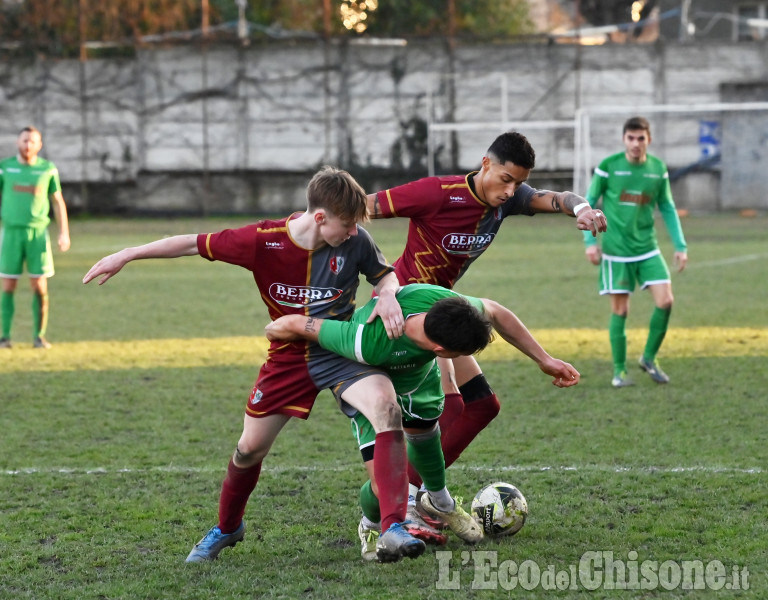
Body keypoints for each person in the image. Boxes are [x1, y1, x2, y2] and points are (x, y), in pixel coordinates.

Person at [82, 166, 428, 564]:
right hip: (287, 359)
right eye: (346, 224)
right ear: (319, 217)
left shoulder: (358, 240)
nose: (352, 232)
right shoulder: (263, 241)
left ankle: (392, 527)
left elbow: (385, 277)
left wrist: (388, 294)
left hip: (338, 349)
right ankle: (228, 528)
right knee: (248, 450)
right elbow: (192, 243)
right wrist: (128, 254)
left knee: (386, 407)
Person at [365, 131, 607, 507]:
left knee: (481, 405)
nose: (511, 190)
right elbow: (361, 209)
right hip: (411, 311)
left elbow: (559, 199)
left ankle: (422, 497)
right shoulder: (437, 192)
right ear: (485, 164)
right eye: (505, 179)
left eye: (519, 183)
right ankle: (406, 504)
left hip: (444, 309)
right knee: (451, 407)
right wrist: (382, 281)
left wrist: (583, 210)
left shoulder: (506, 201)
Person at [265, 283, 580, 560]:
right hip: (369, 384)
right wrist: (273, 336)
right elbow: (299, 324)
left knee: (428, 435)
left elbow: (494, 310)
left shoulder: (444, 303)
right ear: (442, 350)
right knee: (384, 483)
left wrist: (545, 359)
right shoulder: (369, 341)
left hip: (418, 378)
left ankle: (440, 501)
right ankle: (371, 527)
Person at [582, 116, 688, 387]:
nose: (636, 143)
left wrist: (680, 246)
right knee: (621, 311)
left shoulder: (657, 169)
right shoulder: (608, 167)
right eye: (631, 138)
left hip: (648, 249)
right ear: (624, 139)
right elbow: (588, 203)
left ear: (648, 140)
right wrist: (589, 242)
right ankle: (619, 372)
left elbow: (667, 207)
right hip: (616, 252)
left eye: (641, 138)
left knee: (666, 301)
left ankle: (648, 358)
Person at [0, 126, 70, 349]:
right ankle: (5, 337)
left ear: (39, 145)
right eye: (24, 141)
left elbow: (57, 201)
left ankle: (39, 337)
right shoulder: (5, 168)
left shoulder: (47, 169)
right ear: (17, 143)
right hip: (11, 233)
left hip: (38, 235)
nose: (28, 145)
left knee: (39, 286)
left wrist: (64, 232)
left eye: (32, 141)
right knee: (8, 285)